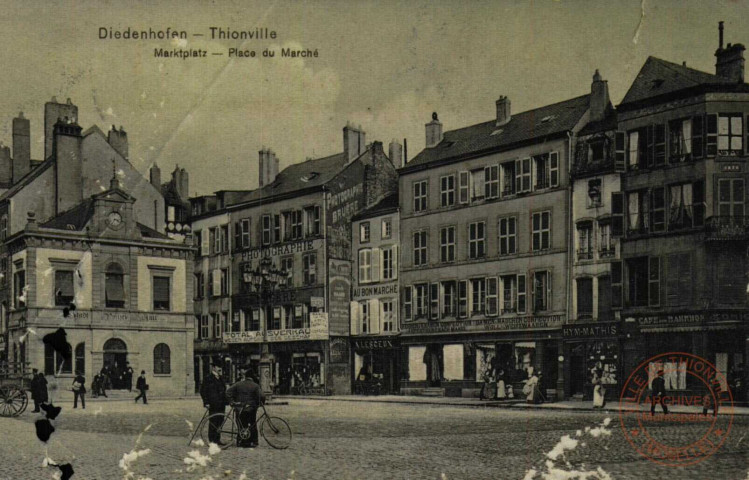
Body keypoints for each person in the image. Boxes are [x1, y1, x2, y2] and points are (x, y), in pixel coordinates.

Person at [226, 369, 266, 448]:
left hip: (239, 408)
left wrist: (232, 402)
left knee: (241, 424)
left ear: (246, 376)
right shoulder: (255, 385)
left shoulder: (238, 384)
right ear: (252, 377)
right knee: (252, 424)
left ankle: (241, 441)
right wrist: (260, 404)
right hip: (251, 408)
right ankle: (254, 441)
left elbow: (228, 392)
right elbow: (262, 396)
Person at [200, 364, 228, 446]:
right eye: (218, 367)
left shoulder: (221, 378)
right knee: (213, 422)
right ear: (213, 368)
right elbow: (203, 391)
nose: (220, 369)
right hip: (213, 404)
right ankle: (212, 440)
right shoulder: (208, 378)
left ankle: (217, 439)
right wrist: (206, 402)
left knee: (220, 421)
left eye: (221, 367)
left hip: (221, 404)